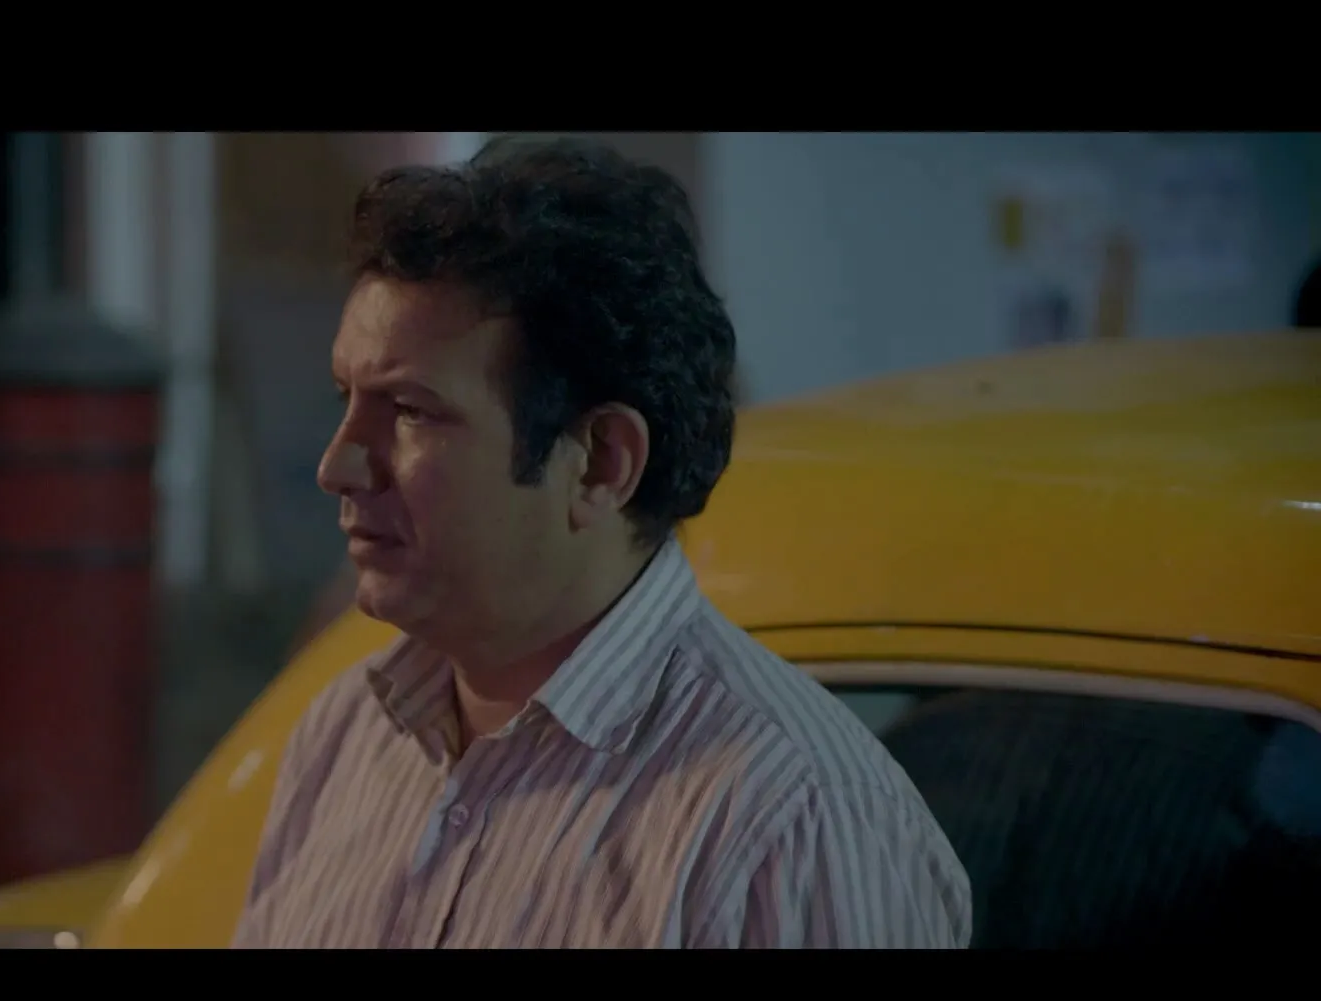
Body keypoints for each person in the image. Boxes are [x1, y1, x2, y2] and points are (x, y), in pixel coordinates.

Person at [231, 136, 971, 949]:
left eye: (410, 411)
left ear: (600, 463)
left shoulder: (793, 827)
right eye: (347, 396)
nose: (338, 466)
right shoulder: (343, 736)